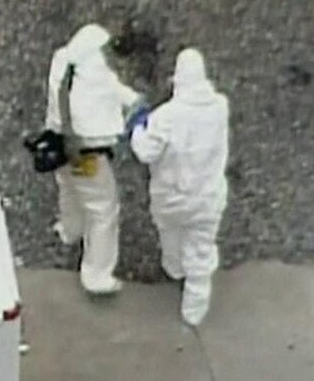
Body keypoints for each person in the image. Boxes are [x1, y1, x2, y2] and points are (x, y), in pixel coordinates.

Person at [129, 48, 229, 326]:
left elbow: (145, 152)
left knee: (170, 233)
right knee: (201, 248)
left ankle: (174, 268)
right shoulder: (220, 106)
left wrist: (138, 127)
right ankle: (194, 308)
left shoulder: (167, 117)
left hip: (171, 197)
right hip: (208, 197)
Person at [46, 23, 143, 295]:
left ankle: (70, 229)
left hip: (59, 146)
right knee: (103, 210)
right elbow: (115, 90)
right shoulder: (95, 77)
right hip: (87, 154)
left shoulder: (62, 62)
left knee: (68, 190)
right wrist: (137, 104)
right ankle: (96, 274)